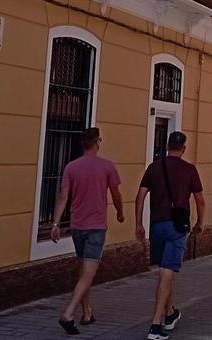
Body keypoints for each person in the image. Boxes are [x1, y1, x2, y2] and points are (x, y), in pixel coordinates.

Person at [50, 128, 124, 335]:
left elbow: (63, 196)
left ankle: (87, 312)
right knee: (89, 272)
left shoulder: (71, 167)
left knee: (83, 270)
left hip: (77, 226)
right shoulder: (107, 166)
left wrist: (55, 224)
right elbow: (116, 193)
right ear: (97, 142)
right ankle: (68, 312)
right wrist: (120, 212)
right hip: (96, 226)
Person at [136, 132, 204, 340]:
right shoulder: (189, 170)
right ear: (183, 148)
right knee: (167, 271)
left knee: (165, 269)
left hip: (157, 225)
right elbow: (200, 200)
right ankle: (156, 325)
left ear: (167, 147)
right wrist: (200, 222)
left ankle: (171, 312)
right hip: (177, 227)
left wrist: (138, 223)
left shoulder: (154, 168)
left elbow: (140, 196)